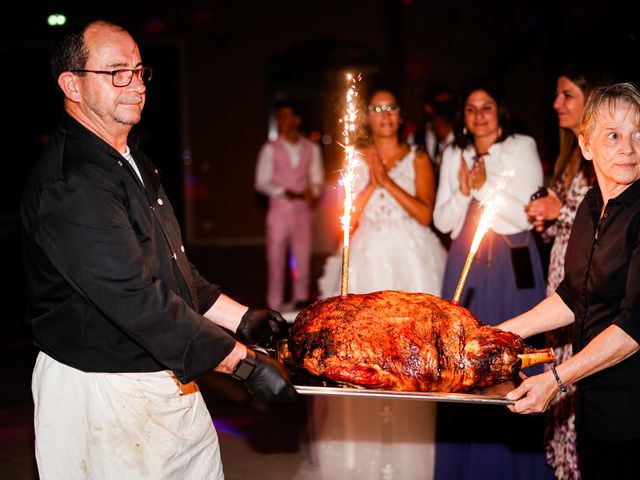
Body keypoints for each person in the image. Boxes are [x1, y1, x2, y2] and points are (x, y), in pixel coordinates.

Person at [21, 20, 297, 479]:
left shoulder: (134, 160)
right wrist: (243, 365)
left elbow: (172, 270)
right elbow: (137, 301)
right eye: (116, 73)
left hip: (162, 377)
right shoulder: (73, 185)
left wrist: (244, 318)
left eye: (138, 70)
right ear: (71, 84)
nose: (134, 85)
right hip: (102, 391)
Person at [500, 82, 640, 480]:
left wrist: (557, 380)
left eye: (639, 134)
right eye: (613, 135)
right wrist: (500, 334)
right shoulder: (590, 205)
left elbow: (635, 325)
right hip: (595, 406)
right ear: (586, 145)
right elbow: (572, 295)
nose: (628, 148)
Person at [309, 88, 446, 479]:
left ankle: (411, 459)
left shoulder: (418, 156)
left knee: (413, 359)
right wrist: (371, 181)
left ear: (400, 115)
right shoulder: (355, 159)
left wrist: (388, 179)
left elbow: (424, 214)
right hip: (367, 258)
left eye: (391, 107)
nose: (384, 115)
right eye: (377, 108)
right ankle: (361, 458)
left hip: (411, 261)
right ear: (368, 116)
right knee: (360, 357)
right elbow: (346, 221)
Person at [432, 79, 553, 479]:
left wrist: (483, 191)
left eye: (486, 106)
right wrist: (467, 192)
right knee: (462, 361)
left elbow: (525, 215)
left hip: (513, 260)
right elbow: (444, 221)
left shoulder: (522, 146)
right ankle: (466, 465)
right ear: (463, 117)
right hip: (467, 263)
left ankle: (521, 464)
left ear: (499, 110)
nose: (479, 115)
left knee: (512, 356)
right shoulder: (455, 152)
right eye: (471, 108)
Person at [523, 61, 612, 479]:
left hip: (592, 289)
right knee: (558, 369)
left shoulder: (608, 160)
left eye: (567, 96)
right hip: (563, 284)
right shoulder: (567, 157)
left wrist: (562, 211)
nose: (556, 103)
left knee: (576, 376)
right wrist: (548, 222)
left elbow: (605, 222)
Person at [255, 100, 324, 312]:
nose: (282, 121)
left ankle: (299, 308)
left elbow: (317, 180)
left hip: (303, 214)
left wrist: (313, 191)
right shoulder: (270, 149)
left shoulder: (311, 148)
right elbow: (261, 182)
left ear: (297, 119)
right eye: (280, 117)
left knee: (302, 264)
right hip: (279, 213)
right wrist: (285, 191)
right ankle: (274, 309)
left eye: (286, 116)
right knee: (276, 263)